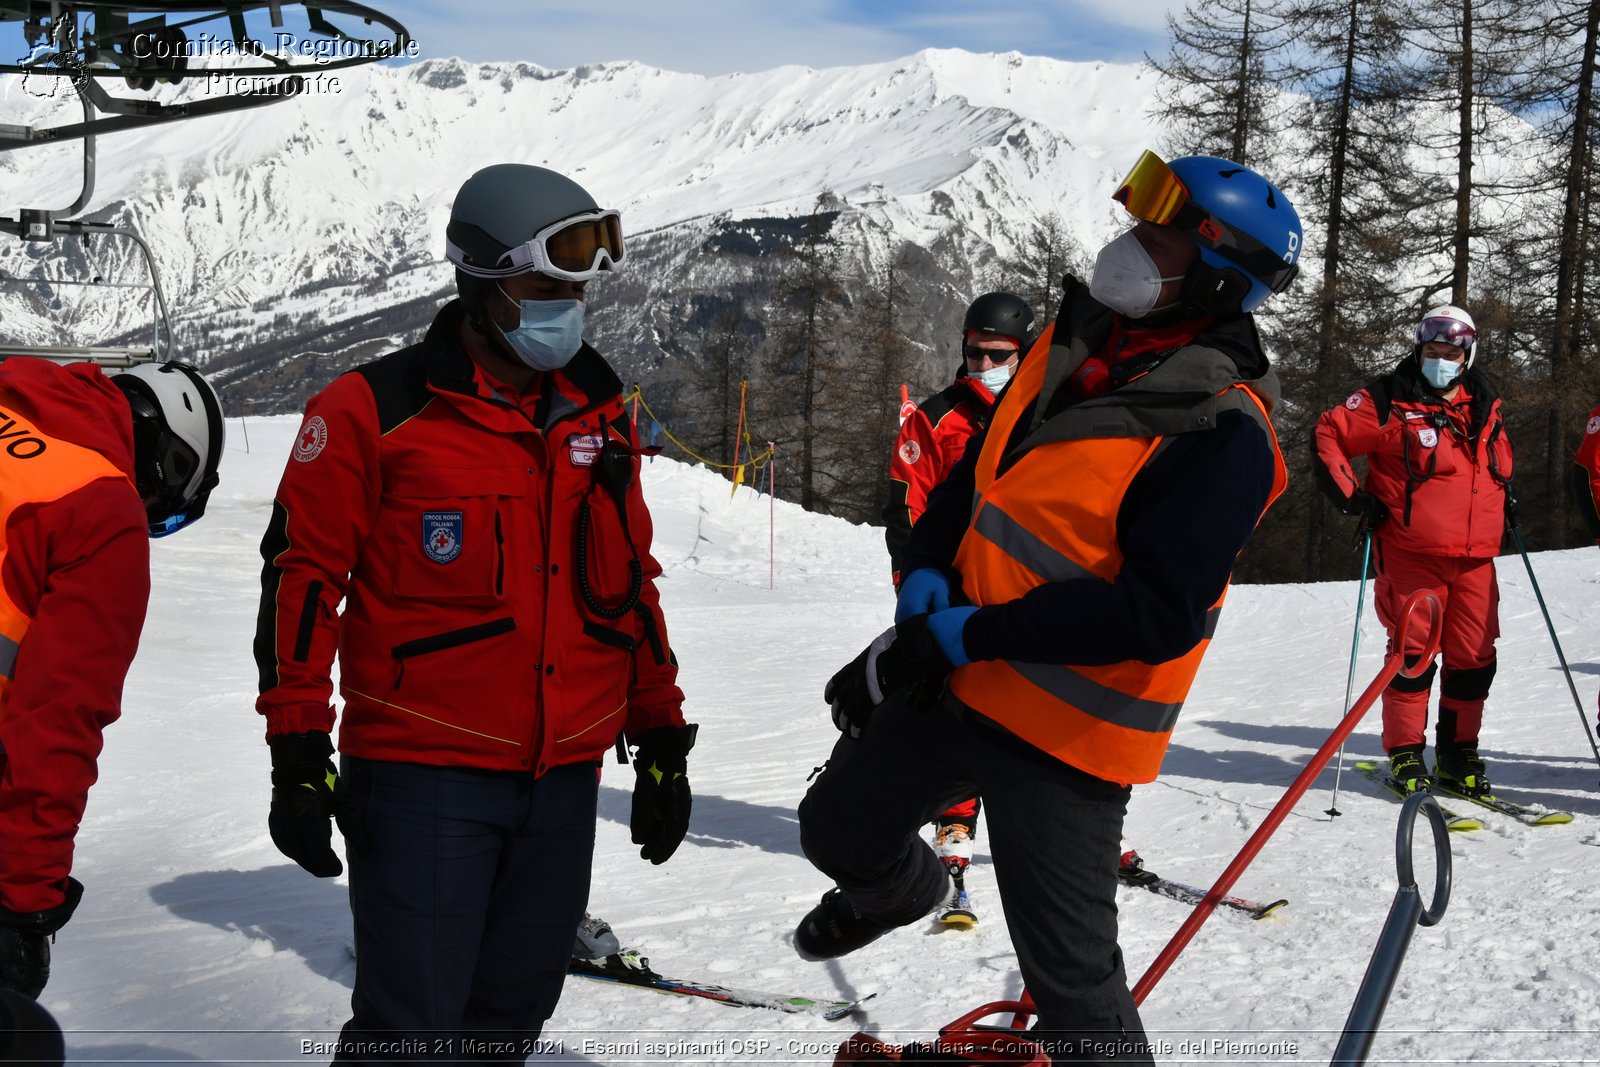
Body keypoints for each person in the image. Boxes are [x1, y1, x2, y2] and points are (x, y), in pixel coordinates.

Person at [796, 150, 1299, 1063]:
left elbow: (1156, 614)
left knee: (1073, 986)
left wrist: (968, 632)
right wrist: (925, 572)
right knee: (836, 825)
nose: (1130, 240)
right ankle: (899, 892)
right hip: (960, 674)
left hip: (1065, 732)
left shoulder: (1224, 432)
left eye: (1160, 229)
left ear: (1218, 268)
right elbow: (981, 479)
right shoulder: (1073, 342)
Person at [253, 163, 697, 1063]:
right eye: (544, 289)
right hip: (426, 776)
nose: (565, 307)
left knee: (509, 1018)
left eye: (576, 289)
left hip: (565, 777)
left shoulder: (596, 416)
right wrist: (297, 749)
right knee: (409, 1029)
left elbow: (630, 583)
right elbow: (302, 579)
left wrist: (659, 735)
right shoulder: (373, 413)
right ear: (483, 285)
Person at [0, 356, 223, 1001]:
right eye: (171, 479)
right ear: (159, 434)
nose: (150, 500)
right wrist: (23, 902)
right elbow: (60, 721)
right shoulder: (100, 506)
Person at [1314, 304, 1512, 797]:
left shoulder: (1483, 403)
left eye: (1449, 353)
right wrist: (1351, 496)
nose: (1439, 361)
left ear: (1467, 356)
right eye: (1431, 352)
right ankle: (1405, 752)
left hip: (1475, 556)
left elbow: (1489, 463)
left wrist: (1506, 492)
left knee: (1475, 656)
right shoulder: (1389, 400)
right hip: (1411, 551)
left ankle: (1457, 752)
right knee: (1414, 653)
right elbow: (1330, 434)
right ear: (1418, 351)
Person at [882, 291, 1035, 918]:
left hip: (1024, 582)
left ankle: (1056, 811)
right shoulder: (937, 417)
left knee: (1030, 698)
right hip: (953, 583)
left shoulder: (1045, 414)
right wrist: (912, 580)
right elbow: (905, 503)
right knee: (955, 697)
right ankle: (953, 815)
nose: (983, 365)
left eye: (997, 356)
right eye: (974, 354)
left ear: (1023, 355)